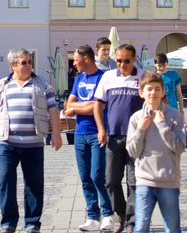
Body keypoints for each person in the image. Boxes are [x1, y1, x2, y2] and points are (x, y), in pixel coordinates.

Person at [0, 48, 62, 233]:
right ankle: (8, 222)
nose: (28, 65)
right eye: (23, 62)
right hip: (7, 142)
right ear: (13, 66)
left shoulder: (41, 83)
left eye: (29, 61)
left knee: (34, 184)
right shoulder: (3, 85)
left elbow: (53, 111)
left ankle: (32, 223)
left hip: (33, 143)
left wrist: (56, 134)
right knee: (6, 181)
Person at [94, 43, 145, 233]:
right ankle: (120, 215)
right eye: (119, 60)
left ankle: (131, 222)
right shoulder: (108, 77)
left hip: (136, 138)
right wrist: (101, 128)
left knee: (134, 181)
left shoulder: (142, 77)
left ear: (134, 60)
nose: (122, 64)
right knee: (111, 180)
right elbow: (98, 105)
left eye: (126, 61)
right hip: (113, 137)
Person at [126, 71, 186, 233]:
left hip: (169, 181)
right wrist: (140, 130)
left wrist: (162, 126)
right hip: (145, 180)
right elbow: (132, 151)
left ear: (163, 91)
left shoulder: (174, 116)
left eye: (157, 89)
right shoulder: (136, 118)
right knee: (141, 228)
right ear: (141, 92)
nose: (153, 93)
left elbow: (180, 147)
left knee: (172, 228)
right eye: (149, 89)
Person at [63, 44, 114, 232]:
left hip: (97, 132)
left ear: (86, 58)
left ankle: (108, 214)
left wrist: (78, 107)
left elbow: (98, 106)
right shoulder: (79, 78)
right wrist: (85, 106)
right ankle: (93, 216)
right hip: (79, 133)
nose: (74, 63)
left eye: (76, 60)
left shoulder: (103, 77)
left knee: (97, 175)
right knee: (85, 177)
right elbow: (69, 105)